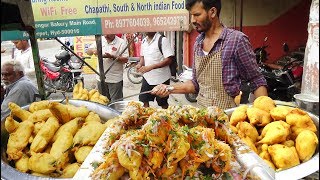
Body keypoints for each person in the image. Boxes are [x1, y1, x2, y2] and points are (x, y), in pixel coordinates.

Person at [151, 0, 268, 109]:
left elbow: (256, 81)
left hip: (227, 118)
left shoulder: (236, 40)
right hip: (202, 117)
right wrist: (168, 88)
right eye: (191, 15)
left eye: (196, 15)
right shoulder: (198, 43)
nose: (192, 20)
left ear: (212, 12)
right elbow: (196, 84)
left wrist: (264, 115)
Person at [136, 32, 174, 109]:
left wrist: (151, 67)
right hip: (147, 78)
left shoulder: (162, 40)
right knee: (143, 100)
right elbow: (143, 57)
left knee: (162, 102)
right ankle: (147, 117)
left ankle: (165, 118)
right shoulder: (144, 41)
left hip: (161, 79)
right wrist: (140, 64)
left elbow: (169, 60)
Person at [86, 34, 129, 102]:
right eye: (104, 34)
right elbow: (88, 52)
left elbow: (125, 59)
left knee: (116, 103)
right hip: (100, 77)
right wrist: (93, 50)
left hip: (115, 79)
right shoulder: (100, 39)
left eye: (108, 35)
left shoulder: (121, 42)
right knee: (102, 102)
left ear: (113, 33)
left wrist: (112, 56)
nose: (106, 36)